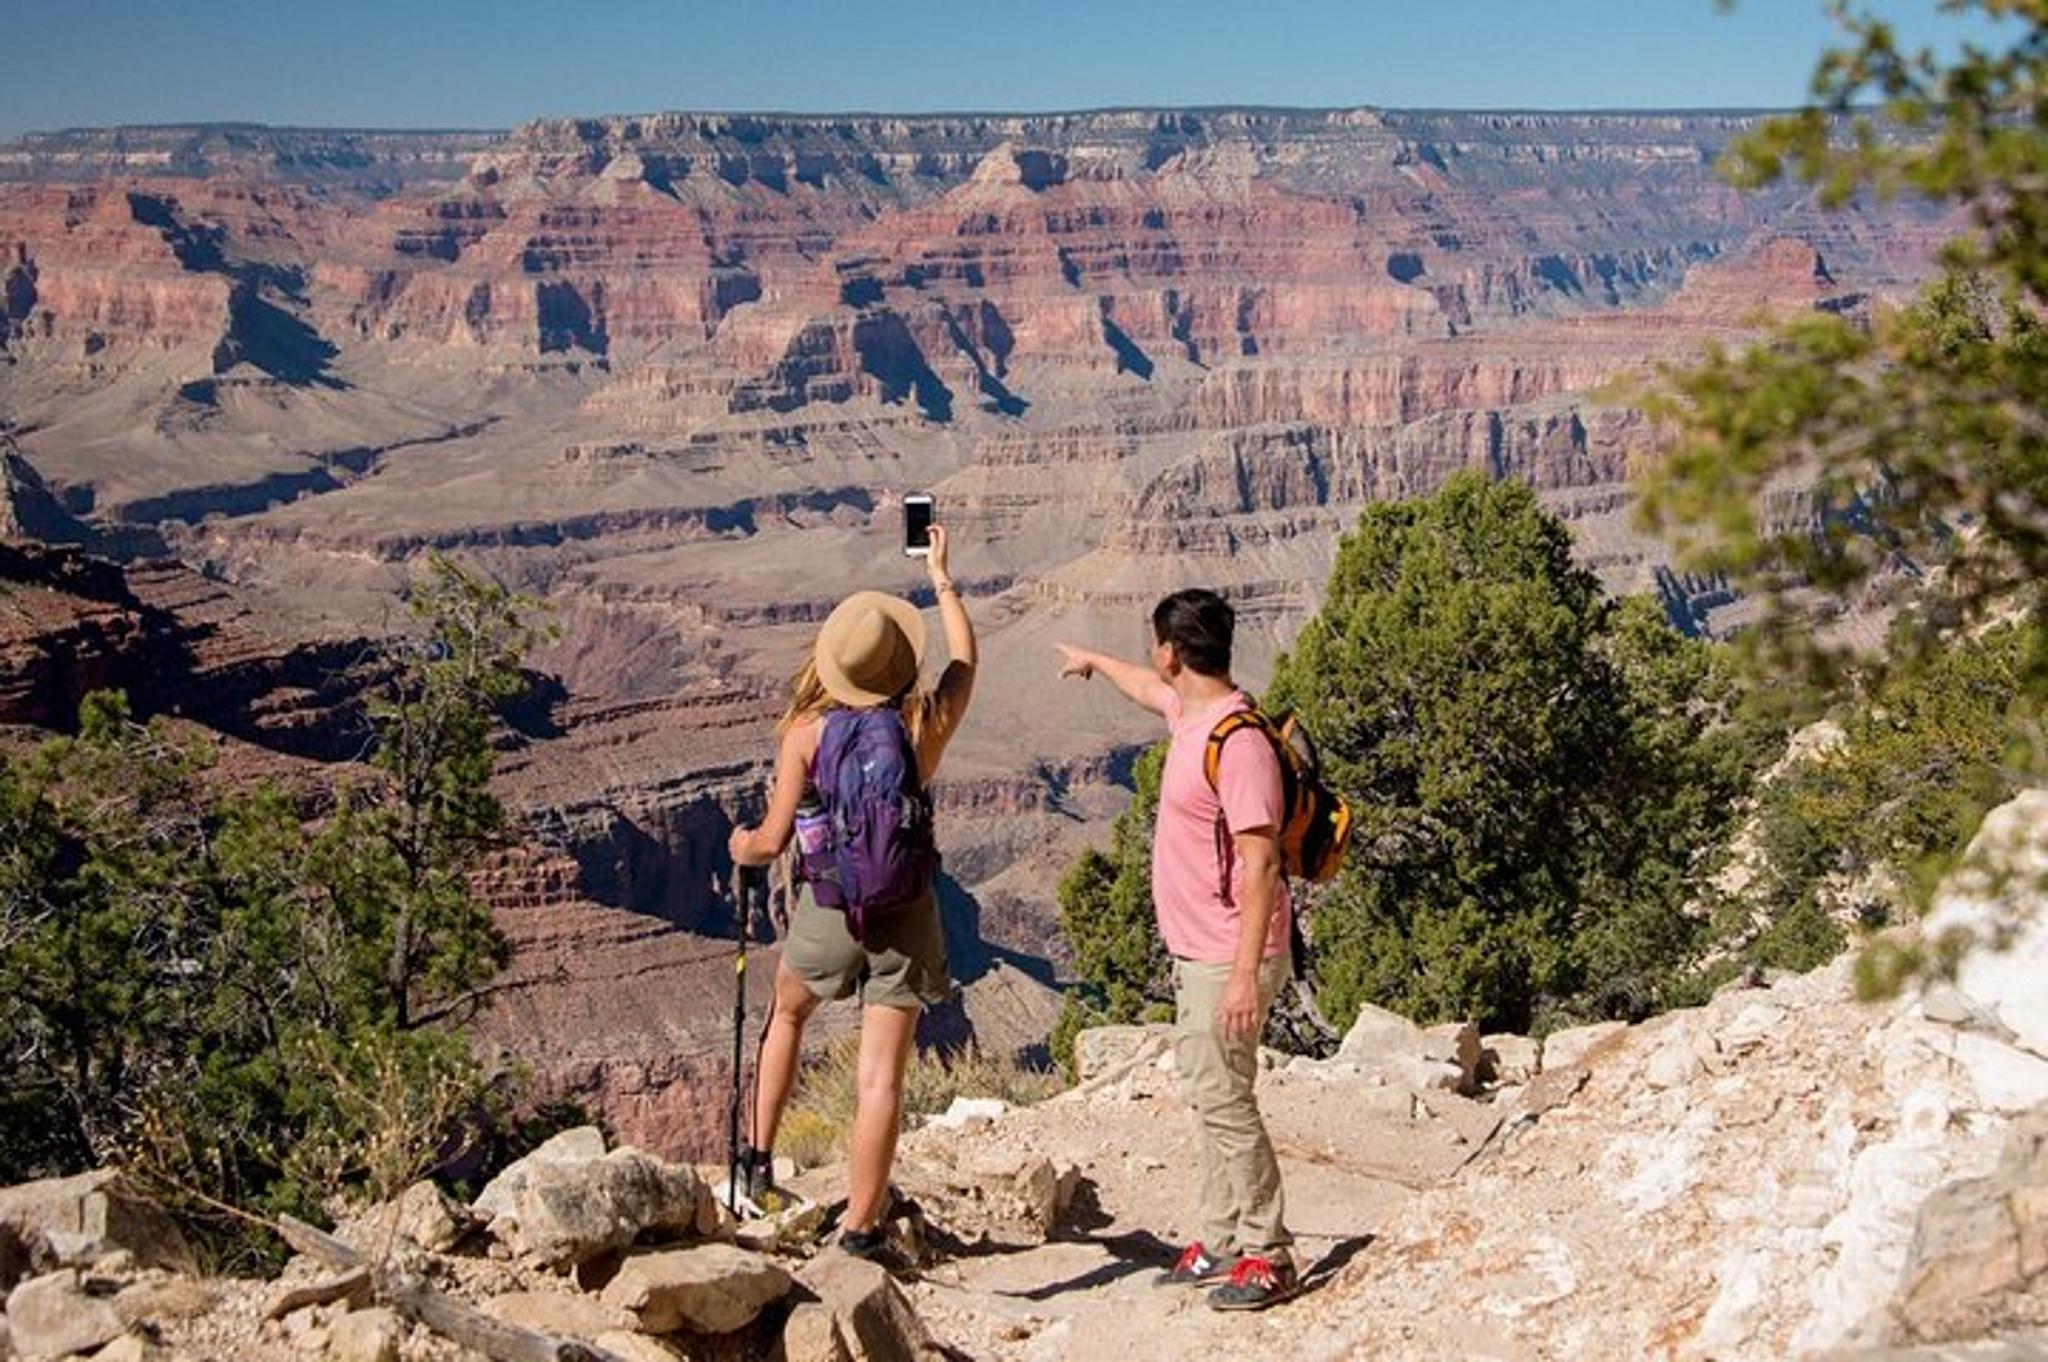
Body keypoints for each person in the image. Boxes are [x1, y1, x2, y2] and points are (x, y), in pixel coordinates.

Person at [728, 524, 975, 1259]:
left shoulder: (806, 733)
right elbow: (964, 658)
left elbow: (770, 841)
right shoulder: (923, 723)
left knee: (786, 1017)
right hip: (906, 911)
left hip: (830, 908)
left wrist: (741, 846)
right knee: (880, 1081)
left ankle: (756, 1166)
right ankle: (861, 1232)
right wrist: (941, 578)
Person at [1054, 588, 1299, 1310]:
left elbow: (1261, 865)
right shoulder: (1191, 712)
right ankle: (1221, 1238)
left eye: (1151, 647)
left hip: (1230, 956)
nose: (1149, 661)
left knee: (1226, 1101)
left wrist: (1245, 978)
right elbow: (1144, 689)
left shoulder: (1240, 742)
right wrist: (1095, 662)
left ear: (1172, 651)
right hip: (1204, 955)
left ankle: (1269, 1253)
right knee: (1209, 1093)